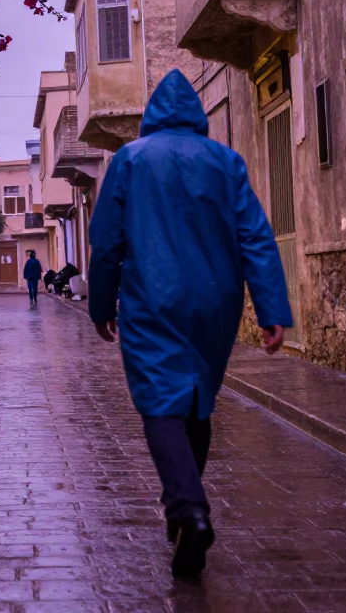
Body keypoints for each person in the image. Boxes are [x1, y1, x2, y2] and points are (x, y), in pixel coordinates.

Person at [88, 69, 292, 581]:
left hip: (152, 299)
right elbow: (256, 238)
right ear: (198, 117)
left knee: (160, 403)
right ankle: (183, 509)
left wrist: (101, 305)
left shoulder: (131, 160)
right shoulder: (225, 162)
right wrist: (271, 311)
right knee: (197, 402)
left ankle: (189, 511)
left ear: (152, 115)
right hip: (215, 303)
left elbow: (107, 242)